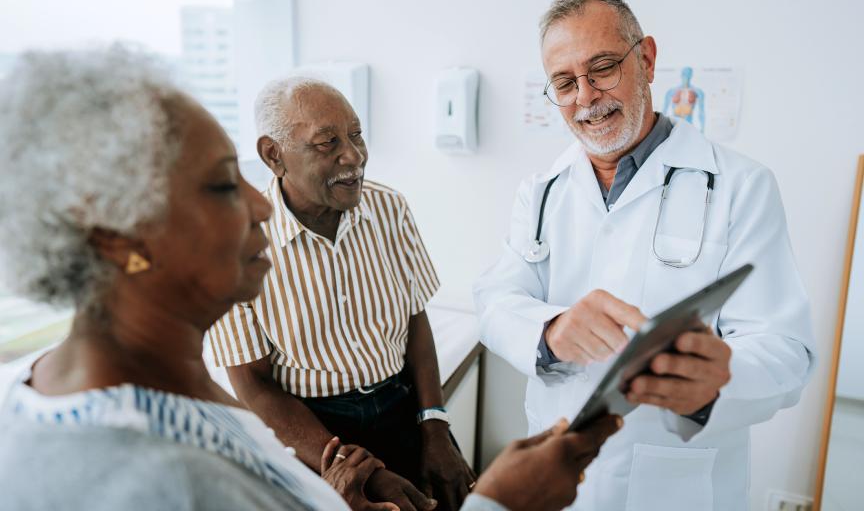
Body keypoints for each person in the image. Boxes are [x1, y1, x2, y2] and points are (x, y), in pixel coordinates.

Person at [0, 46, 621, 511]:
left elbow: (411, 319)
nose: (260, 205)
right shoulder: (150, 478)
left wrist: (413, 434)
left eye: (356, 136)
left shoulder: (186, 400)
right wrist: (505, 504)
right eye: (221, 184)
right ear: (118, 239)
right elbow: (254, 396)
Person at [473, 0, 815, 511]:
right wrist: (550, 331)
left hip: (677, 485)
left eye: (603, 68)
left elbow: (787, 351)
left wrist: (721, 377)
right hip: (559, 472)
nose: (586, 97)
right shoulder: (541, 190)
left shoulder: (741, 186)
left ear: (647, 59)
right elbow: (495, 301)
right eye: (565, 83)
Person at [208, 77, 469, 511]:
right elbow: (253, 386)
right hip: (310, 430)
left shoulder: (390, 209)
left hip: (402, 408)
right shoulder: (233, 243)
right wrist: (352, 465)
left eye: (356, 134)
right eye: (327, 142)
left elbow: (415, 320)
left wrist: (435, 427)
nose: (355, 156)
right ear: (274, 155)